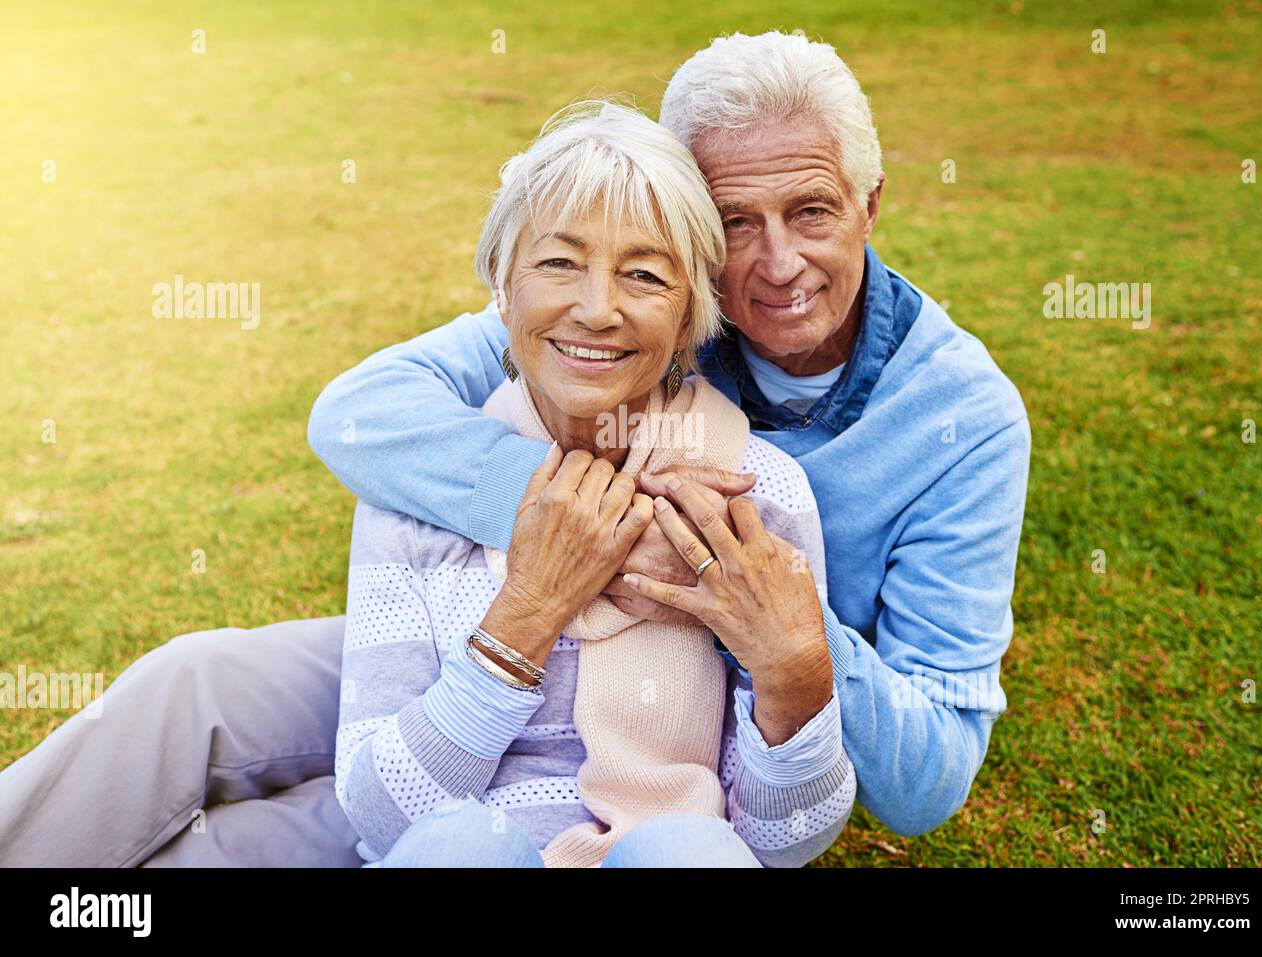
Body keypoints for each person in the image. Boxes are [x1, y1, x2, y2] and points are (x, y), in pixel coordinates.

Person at [0, 30, 1028, 867]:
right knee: (200, 685)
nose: (775, 266)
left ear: (871, 204)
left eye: (810, 212)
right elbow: (359, 414)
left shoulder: (962, 417)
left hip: (695, 710)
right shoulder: (616, 302)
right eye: (731, 224)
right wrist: (590, 526)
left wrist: (768, 616)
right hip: (498, 639)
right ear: (693, 235)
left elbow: (931, 772)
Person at [338, 100, 853, 866]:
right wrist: (528, 612)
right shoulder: (418, 494)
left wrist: (794, 673)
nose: (596, 308)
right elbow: (382, 816)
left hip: (674, 847)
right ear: (501, 287)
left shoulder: (756, 496)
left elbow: (783, 843)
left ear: (688, 320)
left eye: (643, 274)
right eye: (558, 263)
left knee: (687, 851)